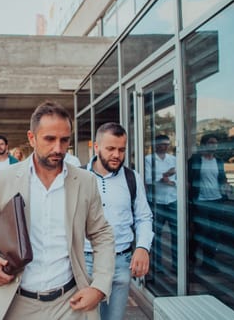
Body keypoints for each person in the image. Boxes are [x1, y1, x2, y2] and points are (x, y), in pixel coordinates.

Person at [0, 101, 115, 320]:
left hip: (70, 303)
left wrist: (100, 286)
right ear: (31, 138)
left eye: (64, 140)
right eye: (49, 139)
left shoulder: (85, 181)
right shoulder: (5, 178)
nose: (58, 148)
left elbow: (101, 234)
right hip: (17, 303)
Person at [83, 122, 154, 320]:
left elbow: (143, 217)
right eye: (111, 149)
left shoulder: (133, 178)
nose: (117, 155)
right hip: (85, 261)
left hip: (120, 262)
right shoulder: (77, 177)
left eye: (121, 149)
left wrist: (142, 247)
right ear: (96, 147)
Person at [188, 133, 230, 271]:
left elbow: (222, 178)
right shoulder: (195, 160)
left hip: (216, 200)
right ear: (204, 144)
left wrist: (226, 186)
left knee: (214, 232)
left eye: (216, 143)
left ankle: (209, 262)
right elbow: (188, 180)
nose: (214, 145)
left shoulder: (218, 161)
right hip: (200, 201)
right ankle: (191, 257)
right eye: (211, 142)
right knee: (201, 230)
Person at [145, 134, 177, 273]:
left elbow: (178, 177)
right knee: (156, 236)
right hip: (157, 202)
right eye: (161, 143)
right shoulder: (148, 159)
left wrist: (170, 180)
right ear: (155, 144)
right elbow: (147, 179)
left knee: (177, 235)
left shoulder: (174, 159)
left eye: (166, 144)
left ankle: (177, 265)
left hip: (173, 199)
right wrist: (164, 176)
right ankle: (158, 267)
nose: (164, 146)